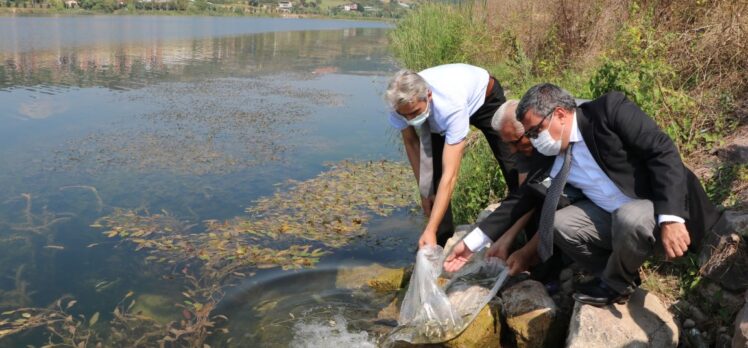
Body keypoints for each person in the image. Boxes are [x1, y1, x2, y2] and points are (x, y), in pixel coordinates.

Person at [513, 83, 721, 306]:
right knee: (558, 224)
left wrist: (671, 218)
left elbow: (663, 153)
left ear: (560, 114)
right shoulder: (550, 151)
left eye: (536, 131)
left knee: (629, 216)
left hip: (654, 205)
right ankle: (620, 275)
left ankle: (613, 285)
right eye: (529, 134)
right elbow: (521, 198)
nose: (534, 140)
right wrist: (480, 239)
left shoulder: (608, 111)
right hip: (614, 219)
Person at [385, 64, 522, 247]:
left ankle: (526, 232)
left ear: (428, 96)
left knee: (512, 164)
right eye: (405, 116)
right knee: (433, 182)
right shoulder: (398, 106)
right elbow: (411, 142)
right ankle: (439, 245)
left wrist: (430, 227)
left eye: (414, 113)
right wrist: (424, 192)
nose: (410, 120)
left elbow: (450, 175)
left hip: (484, 99)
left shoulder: (450, 106)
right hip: (436, 115)